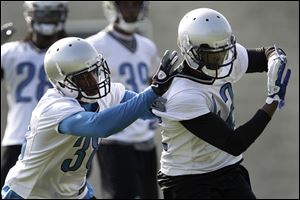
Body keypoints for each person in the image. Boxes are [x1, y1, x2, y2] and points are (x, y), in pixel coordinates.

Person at [1, 36, 180, 199]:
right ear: (62, 82)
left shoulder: (103, 93)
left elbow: (148, 109)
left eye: (94, 72)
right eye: (83, 78)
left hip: (74, 191)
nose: (93, 82)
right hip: (31, 193)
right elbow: (99, 126)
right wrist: (153, 90)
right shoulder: (53, 107)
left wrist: (176, 92)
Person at [151, 8, 291, 199]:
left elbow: (264, 54)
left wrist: (276, 58)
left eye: (223, 53)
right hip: (188, 179)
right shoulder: (182, 94)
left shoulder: (226, 59)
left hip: (226, 167)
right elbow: (234, 143)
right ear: (191, 53)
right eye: (211, 56)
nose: (219, 61)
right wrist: (272, 100)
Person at [86, 1, 160, 199]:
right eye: (126, 5)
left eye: (136, 5)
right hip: (115, 137)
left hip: (144, 136)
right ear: (113, 8)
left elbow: (154, 83)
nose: (132, 10)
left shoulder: (147, 46)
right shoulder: (94, 45)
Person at [1, 1, 69, 188]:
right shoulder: (9, 52)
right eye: (42, 15)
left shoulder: (71, 51)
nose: (47, 20)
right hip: (18, 137)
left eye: (52, 15)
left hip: (60, 140)